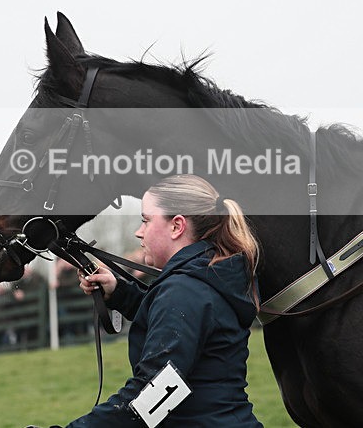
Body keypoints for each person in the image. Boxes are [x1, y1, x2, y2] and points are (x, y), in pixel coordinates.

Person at [64, 174, 263, 427]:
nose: (139, 232)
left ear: (177, 226)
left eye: (146, 220)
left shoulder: (185, 290)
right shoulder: (206, 277)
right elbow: (177, 323)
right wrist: (119, 293)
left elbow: (152, 394)